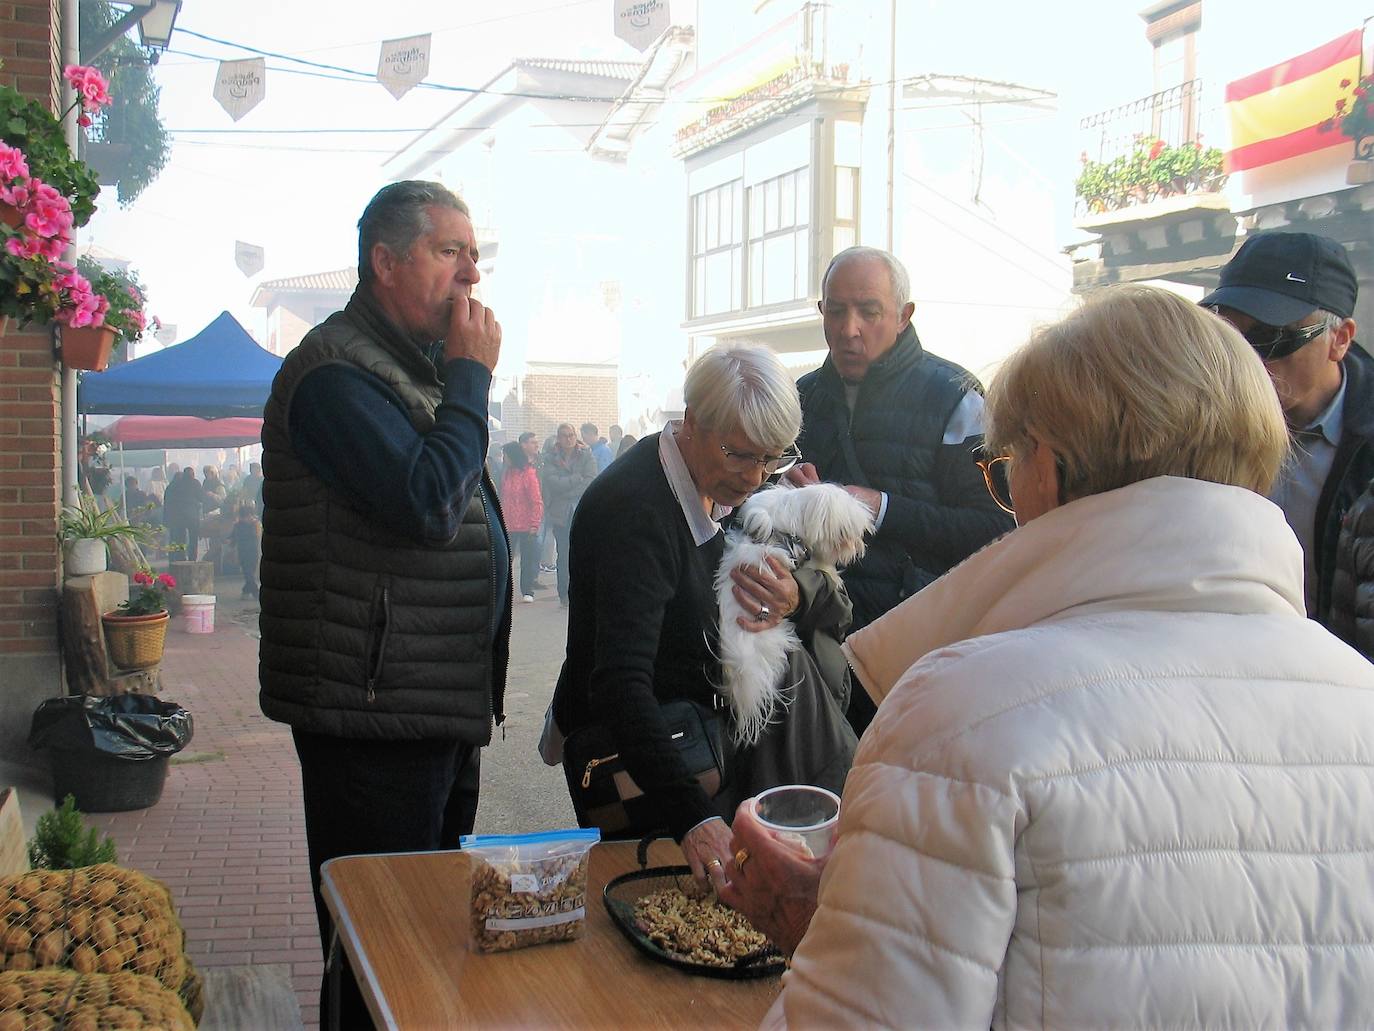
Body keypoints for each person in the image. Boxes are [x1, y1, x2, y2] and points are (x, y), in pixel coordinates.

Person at [719, 286, 1374, 1027]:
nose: (1007, 503)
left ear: (1050, 471)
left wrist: (835, 940)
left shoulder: (961, 710)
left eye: (1002, 473)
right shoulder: (1362, 697)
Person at [256, 180, 508, 1030]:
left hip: (423, 702)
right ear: (385, 261)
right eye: (450, 253)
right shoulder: (336, 373)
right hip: (370, 715)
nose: (471, 276)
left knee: (427, 934)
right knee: (376, 939)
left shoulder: (406, 369)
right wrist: (471, 378)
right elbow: (430, 502)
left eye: (476, 255)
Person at [550, 344, 849, 882]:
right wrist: (692, 817)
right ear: (692, 421)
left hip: (702, 745)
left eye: (772, 457)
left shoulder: (713, 485)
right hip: (648, 764)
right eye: (740, 454)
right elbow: (620, 682)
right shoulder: (637, 511)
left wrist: (792, 596)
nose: (756, 475)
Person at [790, 245, 1013, 734]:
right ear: (821, 311)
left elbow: (999, 526)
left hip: (917, 653)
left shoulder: (954, 395)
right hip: (817, 645)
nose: (850, 330)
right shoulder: (801, 398)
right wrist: (790, 497)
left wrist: (882, 508)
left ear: (904, 315)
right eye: (837, 311)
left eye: (869, 312)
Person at [1201, 232, 1369, 650]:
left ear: (1340, 339)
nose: (1249, 361)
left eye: (1272, 339)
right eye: (1230, 339)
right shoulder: (1195, 428)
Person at [541, 422, 597, 606]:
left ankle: (581, 591)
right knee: (563, 554)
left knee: (583, 553)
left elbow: (590, 480)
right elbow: (552, 482)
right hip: (560, 514)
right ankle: (564, 593)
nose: (568, 438)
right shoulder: (550, 458)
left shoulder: (586, 455)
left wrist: (568, 488)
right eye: (564, 435)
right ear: (559, 438)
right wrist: (575, 479)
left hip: (582, 510)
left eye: (571, 434)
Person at [500, 439, 543, 603]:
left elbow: (536, 501)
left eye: (506, 455)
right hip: (509, 524)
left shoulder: (528, 474)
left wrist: (534, 524)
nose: (504, 458)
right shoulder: (507, 473)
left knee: (527, 559)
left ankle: (527, 590)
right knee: (506, 558)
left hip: (526, 525)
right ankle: (505, 590)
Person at [162, 467, 204, 561]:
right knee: (193, 539)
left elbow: (169, 501)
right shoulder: (195, 483)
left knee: (180, 538)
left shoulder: (175, 484)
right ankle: (192, 558)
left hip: (178, 517)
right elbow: (201, 497)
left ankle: (181, 558)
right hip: (192, 515)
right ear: (192, 474)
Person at [227, 504, 260, 600]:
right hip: (243, 554)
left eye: (251, 515)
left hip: (253, 553)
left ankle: (245, 590)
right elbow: (232, 538)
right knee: (248, 573)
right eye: (248, 516)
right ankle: (255, 591)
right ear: (242, 517)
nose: (250, 518)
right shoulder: (238, 526)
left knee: (250, 573)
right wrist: (230, 543)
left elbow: (257, 535)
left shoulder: (254, 525)